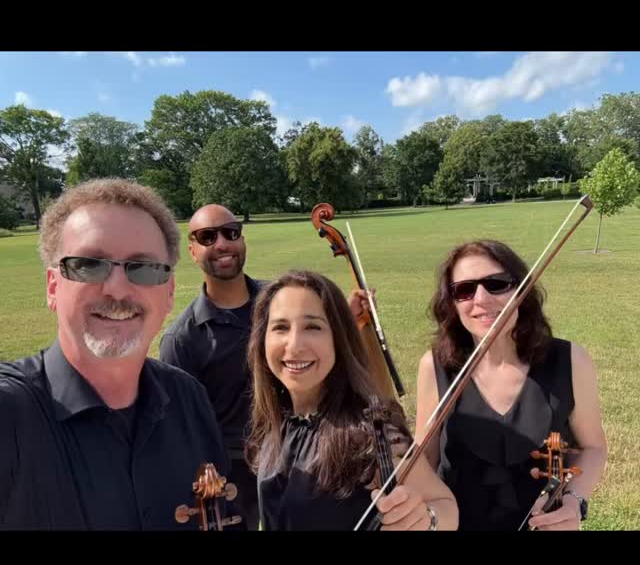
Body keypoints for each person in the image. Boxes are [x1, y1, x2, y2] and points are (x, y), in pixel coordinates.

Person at [0, 179, 228, 531]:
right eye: (89, 265)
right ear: (52, 287)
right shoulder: (10, 413)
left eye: (144, 268)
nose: (118, 289)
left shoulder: (190, 399)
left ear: (168, 293)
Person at [414, 239, 607, 532]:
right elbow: (423, 460)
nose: (480, 299)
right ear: (452, 304)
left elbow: (592, 447)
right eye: (464, 290)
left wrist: (573, 500)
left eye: (496, 284)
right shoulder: (436, 367)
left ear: (521, 290)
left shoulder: (570, 360)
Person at [245, 269, 459, 531]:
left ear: (338, 338)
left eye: (313, 326)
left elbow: (445, 506)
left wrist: (427, 519)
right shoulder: (275, 420)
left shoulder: (370, 432)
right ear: (262, 339)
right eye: (280, 327)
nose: (294, 344)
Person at [159, 204, 265, 531]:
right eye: (207, 237)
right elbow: (180, 429)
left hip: (295, 450)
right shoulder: (182, 339)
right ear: (192, 251)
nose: (221, 244)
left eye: (230, 232)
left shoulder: (278, 301)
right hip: (230, 472)